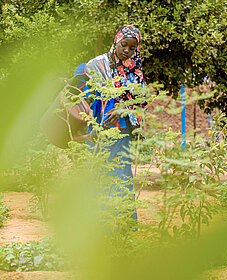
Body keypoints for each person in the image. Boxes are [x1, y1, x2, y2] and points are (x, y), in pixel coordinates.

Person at [71, 25, 146, 226]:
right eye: (124, 45)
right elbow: (75, 86)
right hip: (95, 128)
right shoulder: (97, 64)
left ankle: (122, 226)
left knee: (121, 175)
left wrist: (124, 109)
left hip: (121, 132)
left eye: (132, 48)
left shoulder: (135, 72)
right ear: (116, 41)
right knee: (95, 171)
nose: (127, 51)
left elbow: (141, 101)